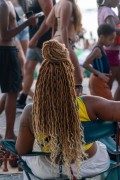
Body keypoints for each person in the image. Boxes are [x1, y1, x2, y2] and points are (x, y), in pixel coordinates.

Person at [16, 40, 120, 179]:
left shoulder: (31, 111)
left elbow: (22, 150)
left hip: (51, 171)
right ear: (69, 79)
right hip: (91, 166)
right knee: (100, 145)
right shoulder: (88, 104)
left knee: (27, 159)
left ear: (42, 81)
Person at [0, 0, 38, 139]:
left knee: (14, 88)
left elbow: (12, 26)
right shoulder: (3, 5)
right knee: (12, 91)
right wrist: (27, 24)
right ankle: (9, 133)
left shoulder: (9, 4)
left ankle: (9, 133)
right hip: (5, 50)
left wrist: (28, 20)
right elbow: (4, 35)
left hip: (10, 49)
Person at [16, 0, 54, 112]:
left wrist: (35, 37)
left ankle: (52, 103)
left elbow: (49, 19)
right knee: (28, 68)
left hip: (44, 41)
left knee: (49, 73)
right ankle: (22, 99)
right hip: (34, 41)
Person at [46, 0, 83, 85]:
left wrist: (59, 20)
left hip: (56, 42)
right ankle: (74, 98)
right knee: (78, 79)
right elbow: (63, 28)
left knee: (61, 80)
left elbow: (48, 22)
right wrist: (67, 48)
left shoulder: (58, 4)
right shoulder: (67, 3)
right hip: (63, 44)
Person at [83, 24, 116, 100]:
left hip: (99, 80)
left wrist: (104, 70)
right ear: (101, 37)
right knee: (108, 103)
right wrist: (99, 73)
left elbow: (92, 62)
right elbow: (85, 64)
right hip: (97, 81)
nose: (112, 42)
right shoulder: (97, 50)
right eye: (110, 39)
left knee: (103, 103)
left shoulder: (101, 48)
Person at [97, 0, 120, 101]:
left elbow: (116, 25)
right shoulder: (108, 12)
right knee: (108, 86)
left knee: (109, 85)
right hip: (112, 52)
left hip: (110, 51)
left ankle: (114, 106)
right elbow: (113, 31)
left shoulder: (103, 9)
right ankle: (108, 109)